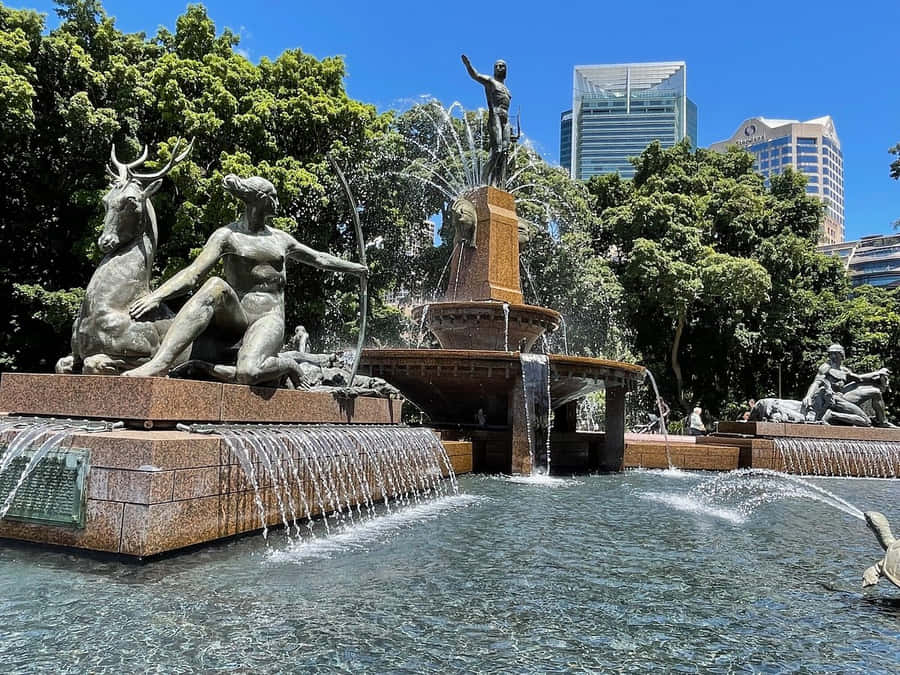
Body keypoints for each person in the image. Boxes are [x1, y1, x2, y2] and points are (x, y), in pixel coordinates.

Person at [123, 174, 367, 386]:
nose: (278, 203)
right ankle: (160, 364)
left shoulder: (281, 239)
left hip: (267, 317)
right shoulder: (227, 235)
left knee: (249, 372)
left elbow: (320, 259)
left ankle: (288, 363)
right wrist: (156, 296)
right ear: (262, 199)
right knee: (215, 285)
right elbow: (193, 274)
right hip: (236, 317)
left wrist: (357, 268)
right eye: (274, 197)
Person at [802, 343, 892, 427]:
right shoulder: (826, 367)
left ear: (841, 355)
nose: (833, 356)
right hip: (833, 399)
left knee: (876, 392)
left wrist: (878, 373)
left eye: (836, 354)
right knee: (866, 421)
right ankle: (831, 415)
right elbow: (817, 382)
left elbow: (859, 378)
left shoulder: (844, 370)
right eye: (831, 354)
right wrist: (808, 396)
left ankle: (882, 421)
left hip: (843, 396)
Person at [461, 54, 512, 187]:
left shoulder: (507, 90)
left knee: (505, 153)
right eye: (497, 66)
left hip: (506, 120)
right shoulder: (490, 81)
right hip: (495, 115)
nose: (499, 68)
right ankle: (483, 182)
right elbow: (476, 75)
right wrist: (468, 65)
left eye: (502, 66)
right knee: (497, 150)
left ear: (506, 70)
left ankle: (496, 183)